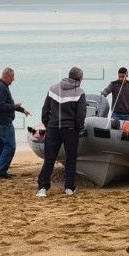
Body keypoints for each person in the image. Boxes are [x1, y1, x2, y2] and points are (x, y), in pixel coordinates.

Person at [36, 67, 87, 197]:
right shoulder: (79, 92)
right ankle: (69, 188)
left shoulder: (53, 88)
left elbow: (45, 110)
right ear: (79, 79)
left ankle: (42, 188)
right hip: (70, 130)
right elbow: (81, 115)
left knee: (49, 159)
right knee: (71, 159)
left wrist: (48, 124)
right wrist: (78, 128)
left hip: (53, 128)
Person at [0, 67, 30, 178]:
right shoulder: (1, 87)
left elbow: (6, 103)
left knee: (1, 146)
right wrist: (14, 106)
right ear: (7, 76)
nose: (13, 80)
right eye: (12, 77)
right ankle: (1, 170)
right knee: (10, 146)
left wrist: (22, 110)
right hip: (3, 122)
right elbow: (0, 106)